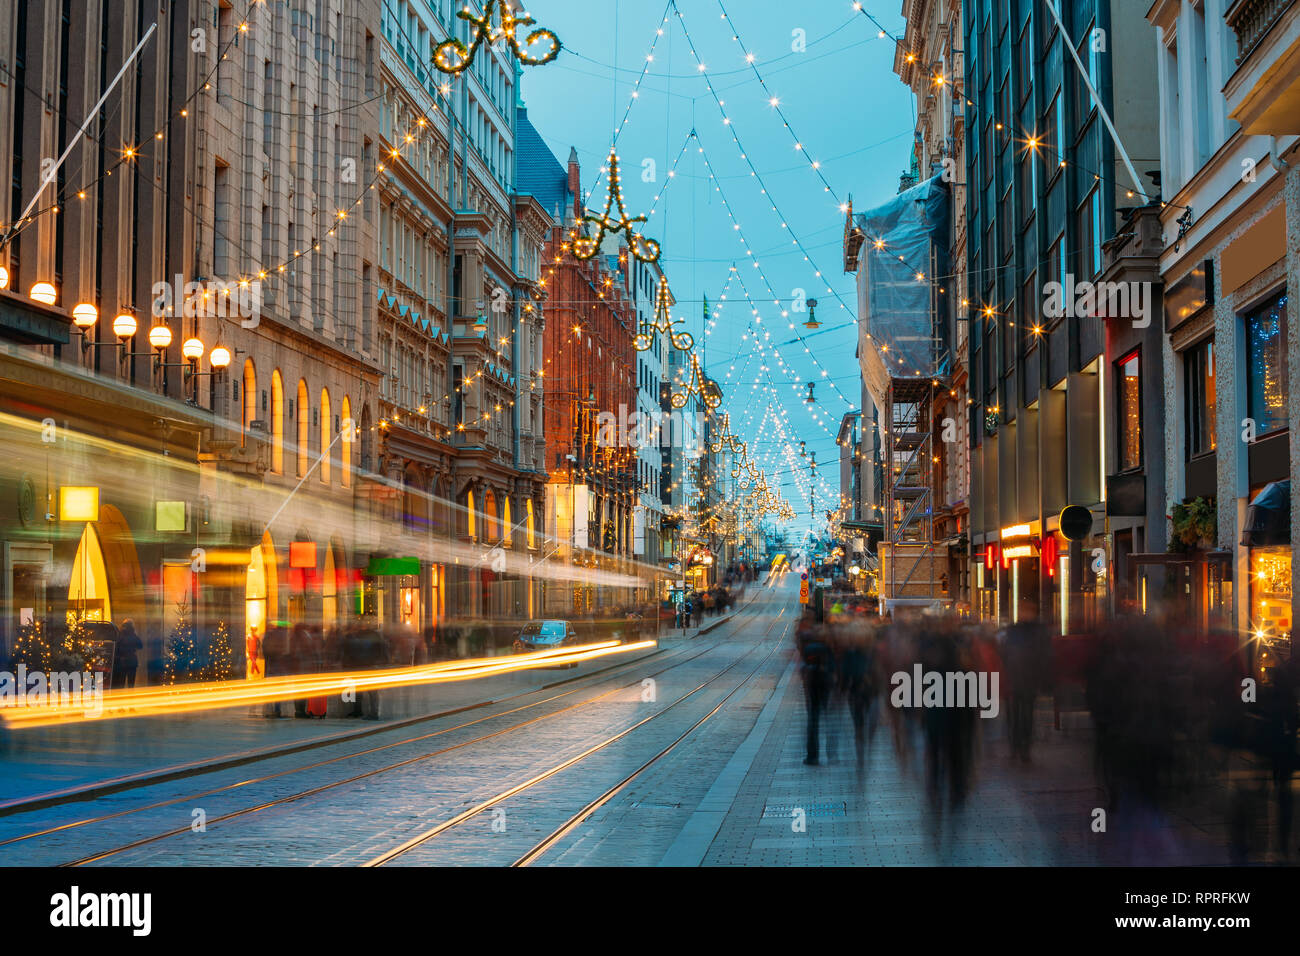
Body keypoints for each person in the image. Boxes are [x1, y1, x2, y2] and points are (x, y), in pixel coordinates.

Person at [796, 613, 835, 765]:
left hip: (812, 688)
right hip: (826, 686)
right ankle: (831, 754)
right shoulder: (828, 648)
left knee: (813, 721)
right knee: (829, 720)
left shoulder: (809, 648)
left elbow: (803, 668)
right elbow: (833, 667)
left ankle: (812, 755)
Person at [112, 619, 143, 690]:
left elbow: (116, 647)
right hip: (132, 661)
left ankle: (121, 698)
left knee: (121, 682)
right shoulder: (133, 635)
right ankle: (130, 697)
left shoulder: (120, 635)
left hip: (122, 661)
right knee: (131, 683)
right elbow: (140, 646)